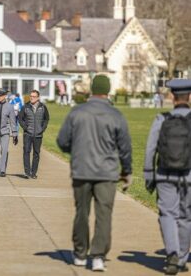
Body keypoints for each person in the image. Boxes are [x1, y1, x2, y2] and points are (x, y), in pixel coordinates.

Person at [57, 75, 132, 272]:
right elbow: (125, 147)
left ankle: (80, 253)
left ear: (92, 89)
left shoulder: (77, 112)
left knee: (81, 212)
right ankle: (98, 255)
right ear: (107, 91)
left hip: (82, 170)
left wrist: (75, 152)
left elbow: (62, 141)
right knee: (104, 215)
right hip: (106, 173)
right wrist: (127, 170)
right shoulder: (116, 115)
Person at [144, 79, 191, 275]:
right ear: (189, 97)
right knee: (186, 216)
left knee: (167, 214)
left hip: (164, 174)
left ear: (172, 97)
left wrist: (149, 175)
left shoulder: (161, 119)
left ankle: (171, 252)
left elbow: (150, 149)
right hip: (189, 176)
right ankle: (181, 257)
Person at [18, 89, 50, 179]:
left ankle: (34, 173)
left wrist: (42, 129)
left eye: (34, 96)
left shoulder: (43, 107)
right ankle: (27, 172)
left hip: (38, 135)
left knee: (36, 154)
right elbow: (20, 118)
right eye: (31, 96)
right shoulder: (25, 107)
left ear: (38, 97)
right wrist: (25, 127)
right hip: (28, 134)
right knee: (26, 152)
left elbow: (46, 119)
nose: (31, 98)